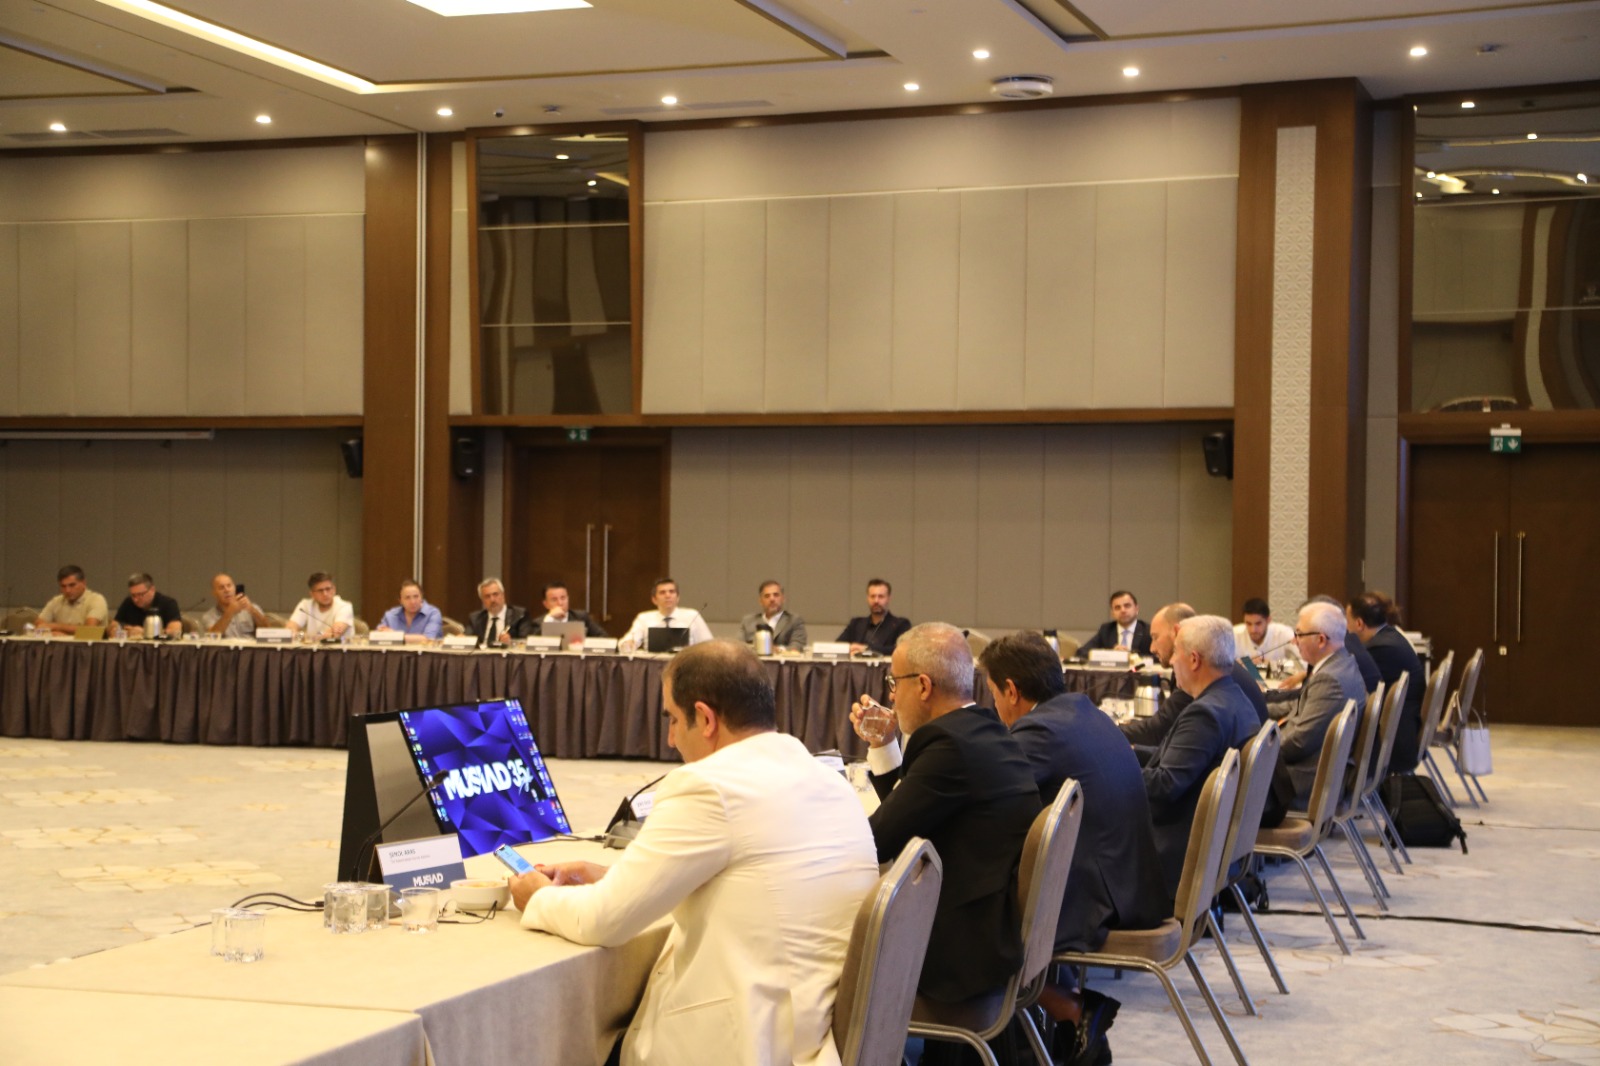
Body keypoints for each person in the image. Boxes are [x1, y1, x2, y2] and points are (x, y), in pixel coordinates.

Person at [509, 641, 877, 1066]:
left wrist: (537, 896)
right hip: (811, 1036)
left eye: (671, 718)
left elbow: (604, 920)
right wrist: (611, 875)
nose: (669, 738)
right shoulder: (829, 780)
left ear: (705, 718)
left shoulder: (709, 785)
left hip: (742, 1045)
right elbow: (748, 877)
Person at [980, 631, 1167, 1064]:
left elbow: (987, 797)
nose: (995, 706)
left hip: (1099, 898)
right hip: (1129, 881)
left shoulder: (1040, 730)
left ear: (1011, 690)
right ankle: (1055, 1024)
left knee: (971, 916)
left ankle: (1069, 1010)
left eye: (993, 694)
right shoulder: (1083, 712)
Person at [852, 622, 1041, 1006]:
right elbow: (912, 816)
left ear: (923, 686)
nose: (892, 696)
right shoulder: (983, 729)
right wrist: (885, 744)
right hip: (991, 929)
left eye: (894, 682)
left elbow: (877, 842)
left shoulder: (948, 745)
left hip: (957, 953)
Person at [1138, 614, 1259, 898]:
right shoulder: (1233, 698)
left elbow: (1165, 785)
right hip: (1207, 837)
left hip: (1174, 847)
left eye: (1175, 653)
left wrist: (1114, 772)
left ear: (1193, 660)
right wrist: (1130, 754)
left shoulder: (1205, 713)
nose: (1171, 661)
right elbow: (1184, 762)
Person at [1260, 601, 1369, 827]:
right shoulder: (1341, 664)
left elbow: (1298, 743)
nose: (1294, 641)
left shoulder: (1330, 679)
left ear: (1320, 640)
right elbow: (1298, 706)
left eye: (1299, 634)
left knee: (1221, 774)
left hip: (1303, 781)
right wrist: (1257, 709)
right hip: (1314, 771)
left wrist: (1253, 750)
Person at [1123, 604, 1268, 749]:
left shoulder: (1200, 674)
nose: (1152, 648)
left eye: (1155, 637)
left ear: (1177, 632)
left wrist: (1113, 732)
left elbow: (1157, 731)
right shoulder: (1219, 666)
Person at [1347, 591, 1427, 775]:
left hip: (1395, 741)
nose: (1345, 626)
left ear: (1359, 624)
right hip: (1404, 729)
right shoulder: (1390, 637)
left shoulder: (1380, 649)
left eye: (1347, 620)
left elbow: (1355, 688)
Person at [619, 578, 713, 651]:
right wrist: (628, 644)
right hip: (653, 664)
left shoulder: (692, 616)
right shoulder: (644, 618)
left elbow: (709, 644)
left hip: (684, 663)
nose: (668, 595)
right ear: (654, 599)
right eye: (662, 592)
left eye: (672, 592)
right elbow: (625, 643)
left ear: (678, 598)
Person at [836, 578, 910, 656]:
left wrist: (867, 649)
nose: (876, 601)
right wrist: (849, 648)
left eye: (881, 596)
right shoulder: (856, 624)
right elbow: (837, 646)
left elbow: (901, 649)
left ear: (888, 598)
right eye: (872, 596)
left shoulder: (901, 624)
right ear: (867, 598)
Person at [34, 565, 109, 634]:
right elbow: (39, 624)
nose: (67, 590)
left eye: (72, 585)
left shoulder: (96, 600)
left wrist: (56, 627)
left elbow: (89, 630)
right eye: (63, 586)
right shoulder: (56, 601)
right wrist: (53, 633)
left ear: (83, 583)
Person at [1077, 590, 1152, 656]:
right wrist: (1111, 654)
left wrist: (1131, 656)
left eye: (1127, 606)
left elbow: (1157, 657)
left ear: (1136, 609)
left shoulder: (1148, 631)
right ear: (1112, 613)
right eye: (1117, 608)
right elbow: (1082, 652)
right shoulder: (1106, 630)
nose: (1123, 610)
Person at [738, 580, 808, 651]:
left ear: (783, 599)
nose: (772, 599)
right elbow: (738, 647)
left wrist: (778, 650)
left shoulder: (794, 621)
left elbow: (797, 646)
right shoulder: (748, 621)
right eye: (767, 596)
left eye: (776, 595)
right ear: (760, 601)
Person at [109, 572, 183, 638]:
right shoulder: (128, 602)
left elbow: (175, 632)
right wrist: (118, 630)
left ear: (152, 590)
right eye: (133, 595)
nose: (136, 599)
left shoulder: (169, 603)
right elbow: (113, 625)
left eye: (140, 595)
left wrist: (146, 632)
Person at [285, 571, 354, 641]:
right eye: (320, 591)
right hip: (312, 647)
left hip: (340, 647)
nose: (325, 594)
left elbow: (335, 633)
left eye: (328, 589)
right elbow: (290, 629)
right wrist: (301, 635)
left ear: (334, 590)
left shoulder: (345, 606)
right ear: (312, 594)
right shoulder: (305, 605)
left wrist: (307, 636)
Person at [1234, 597, 1301, 667]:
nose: (1253, 630)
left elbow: (1304, 662)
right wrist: (1241, 663)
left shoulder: (1284, 633)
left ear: (1268, 620)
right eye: (1248, 624)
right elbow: (1226, 664)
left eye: (1258, 623)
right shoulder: (1234, 634)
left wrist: (1273, 664)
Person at [466, 577, 532, 647]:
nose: (492, 600)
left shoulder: (519, 615)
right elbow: (467, 639)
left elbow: (526, 642)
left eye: (495, 594)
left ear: (503, 595)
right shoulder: (475, 618)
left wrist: (511, 642)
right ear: (482, 600)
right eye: (487, 596)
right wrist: (461, 639)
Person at [201, 573, 267, 638]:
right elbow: (212, 638)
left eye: (229, 586)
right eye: (221, 588)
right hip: (226, 645)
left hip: (250, 644)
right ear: (214, 593)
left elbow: (268, 631)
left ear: (234, 588)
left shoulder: (252, 607)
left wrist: (252, 610)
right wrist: (230, 612)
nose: (227, 590)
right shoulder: (208, 616)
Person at [376, 580, 442, 643]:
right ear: (400, 600)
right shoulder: (390, 616)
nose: (413, 602)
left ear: (421, 597)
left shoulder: (433, 614)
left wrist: (395, 636)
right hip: (395, 651)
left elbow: (428, 639)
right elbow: (378, 636)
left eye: (416, 596)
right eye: (407, 598)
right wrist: (383, 634)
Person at [534, 582, 607, 637]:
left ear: (568, 599)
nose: (560, 603)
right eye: (554, 599)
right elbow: (531, 642)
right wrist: (550, 619)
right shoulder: (538, 623)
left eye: (563, 598)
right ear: (546, 604)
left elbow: (603, 637)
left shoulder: (581, 617)